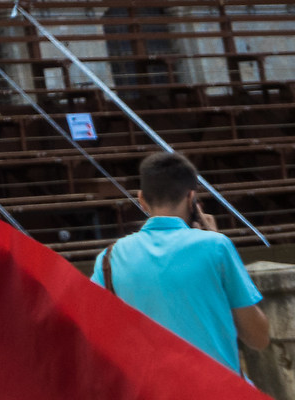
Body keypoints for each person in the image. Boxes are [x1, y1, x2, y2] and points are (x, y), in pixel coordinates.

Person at [95, 152, 268, 373]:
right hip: (215, 389)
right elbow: (258, 338)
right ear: (191, 198)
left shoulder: (109, 258)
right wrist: (217, 243)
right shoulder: (216, 247)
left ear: (141, 199)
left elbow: (97, 333)